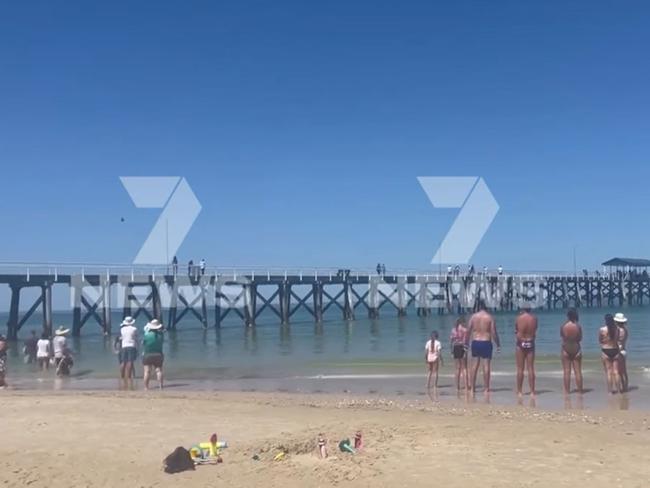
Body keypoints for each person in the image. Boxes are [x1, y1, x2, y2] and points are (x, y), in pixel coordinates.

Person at [468, 300, 501, 394]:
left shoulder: (473, 317)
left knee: (474, 365)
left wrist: (466, 343)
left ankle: (472, 389)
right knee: (486, 365)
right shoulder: (489, 317)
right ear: (485, 307)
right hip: (486, 342)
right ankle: (486, 389)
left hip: (476, 341)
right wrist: (498, 344)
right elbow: (493, 332)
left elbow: (468, 331)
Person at [515, 308, 538, 397]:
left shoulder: (519, 318)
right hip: (530, 342)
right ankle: (532, 391)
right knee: (530, 368)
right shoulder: (534, 319)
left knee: (520, 369)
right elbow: (535, 330)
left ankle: (520, 391)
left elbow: (516, 329)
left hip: (521, 342)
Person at [560, 309, 583, 394]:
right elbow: (580, 338)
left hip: (566, 347)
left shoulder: (563, 326)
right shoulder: (578, 326)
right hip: (576, 347)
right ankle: (580, 391)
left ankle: (567, 391)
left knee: (566, 371)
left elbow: (562, 337)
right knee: (578, 371)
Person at [599, 314, 622, 394]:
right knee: (616, 372)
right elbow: (618, 339)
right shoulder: (617, 329)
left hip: (606, 350)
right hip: (615, 350)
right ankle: (619, 390)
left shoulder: (602, 329)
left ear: (605, 320)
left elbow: (600, 340)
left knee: (609, 372)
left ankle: (610, 391)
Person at [142, 319, 165, 390]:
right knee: (159, 370)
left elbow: (143, 343)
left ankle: (146, 387)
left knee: (147, 371)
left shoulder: (147, 335)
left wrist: (146, 331)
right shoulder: (161, 335)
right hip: (158, 354)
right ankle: (160, 386)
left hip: (148, 354)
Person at [450, 317, 469, 391]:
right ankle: (466, 386)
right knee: (464, 368)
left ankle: (457, 387)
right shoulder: (465, 330)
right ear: (463, 322)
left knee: (457, 368)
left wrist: (451, 351)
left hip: (455, 347)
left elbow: (451, 341)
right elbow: (466, 342)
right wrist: (466, 350)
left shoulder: (453, 330)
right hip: (462, 347)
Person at [119, 316, 138, 382]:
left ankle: (122, 376)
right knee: (130, 361)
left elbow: (122, 337)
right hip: (131, 345)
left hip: (124, 346)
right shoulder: (134, 329)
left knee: (123, 362)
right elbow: (136, 338)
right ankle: (129, 376)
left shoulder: (122, 329)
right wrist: (137, 347)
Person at [614, 312, 629, 392]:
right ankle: (625, 386)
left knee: (618, 371)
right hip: (623, 350)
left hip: (618, 351)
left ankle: (620, 389)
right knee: (624, 371)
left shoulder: (618, 330)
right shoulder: (625, 330)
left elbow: (615, 340)